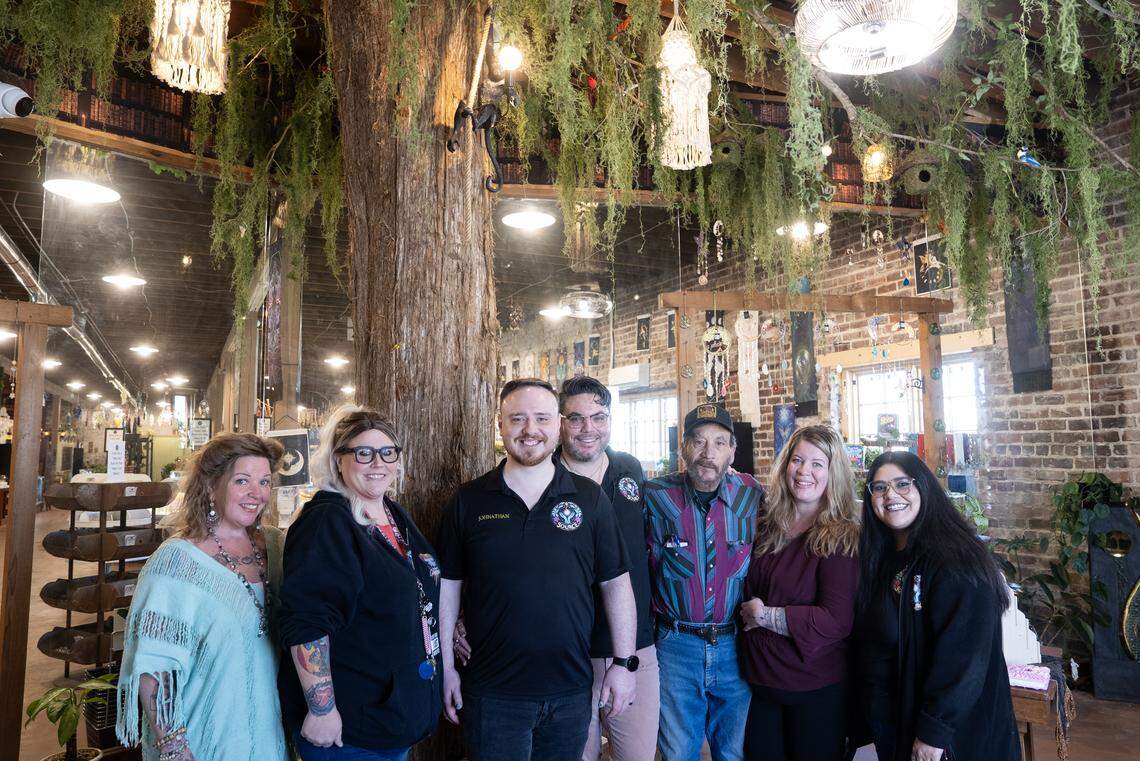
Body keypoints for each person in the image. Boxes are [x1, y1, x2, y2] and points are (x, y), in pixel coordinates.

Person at [436, 378, 637, 761]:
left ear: (557, 425)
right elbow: (448, 590)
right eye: (517, 419)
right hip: (492, 695)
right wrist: (447, 667)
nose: (530, 430)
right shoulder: (468, 501)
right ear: (500, 425)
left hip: (569, 692)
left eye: (541, 418)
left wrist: (625, 665)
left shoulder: (590, 499)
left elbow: (616, 585)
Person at [278, 406, 441, 761]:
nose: (377, 463)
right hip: (349, 728)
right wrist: (321, 711)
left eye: (387, 453)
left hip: (392, 716)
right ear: (338, 460)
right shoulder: (327, 522)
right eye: (363, 453)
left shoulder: (391, 512)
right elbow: (308, 621)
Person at [116, 433, 288, 761]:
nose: (257, 493)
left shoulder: (276, 547)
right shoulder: (177, 562)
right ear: (211, 487)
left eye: (265, 482)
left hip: (269, 736)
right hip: (206, 739)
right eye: (242, 481)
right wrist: (174, 747)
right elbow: (156, 666)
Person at [856, 452, 1020, 761]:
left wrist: (934, 731)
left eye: (902, 484)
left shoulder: (956, 557)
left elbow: (964, 656)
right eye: (879, 488)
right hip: (893, 718)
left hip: (948, 735)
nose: (890, 495)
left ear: (924, 488)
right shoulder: (883, 556)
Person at [643, 403, 764, 761]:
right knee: (678, 752)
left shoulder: (753, 496)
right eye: (697, 441)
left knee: (734, 751)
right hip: (675, 645)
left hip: (736, 646)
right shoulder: (654, 496)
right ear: (683, 447)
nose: (707, 453)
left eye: (719, 443)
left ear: (732, 451)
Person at [739, 426, 861, 761]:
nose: (804, 471)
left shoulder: (841, 536)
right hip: (759, 683)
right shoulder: (767, 523)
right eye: (797, 460)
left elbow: (836, 620)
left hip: (814, 688)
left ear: (832, 473)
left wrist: (765, 616)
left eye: (817, 464)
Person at [555, 376, 659, 761]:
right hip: (567, 650)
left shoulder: (629, 468)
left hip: (634, 648)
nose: (588, 429)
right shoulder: (544, 476)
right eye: (577, 419)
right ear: (561, 421)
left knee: (637, 755)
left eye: (598, 417)